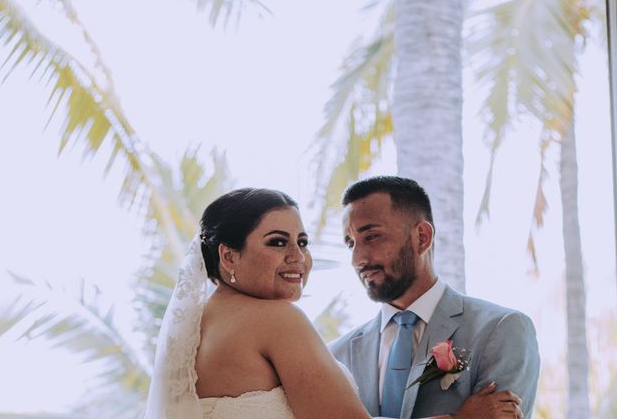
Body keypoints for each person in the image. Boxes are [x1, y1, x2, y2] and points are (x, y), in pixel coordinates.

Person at [143, 187, 525, 419]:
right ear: (228, 256)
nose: (298, 257)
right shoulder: (276, 319)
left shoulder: (200, 325)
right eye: (277, 242)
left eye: (303, 242)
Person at [330, 176, 540, 419]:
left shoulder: (502, 330)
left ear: (422, 237)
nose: (357, 260)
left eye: (372, 237)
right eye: (350, 244)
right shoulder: (337, 356)